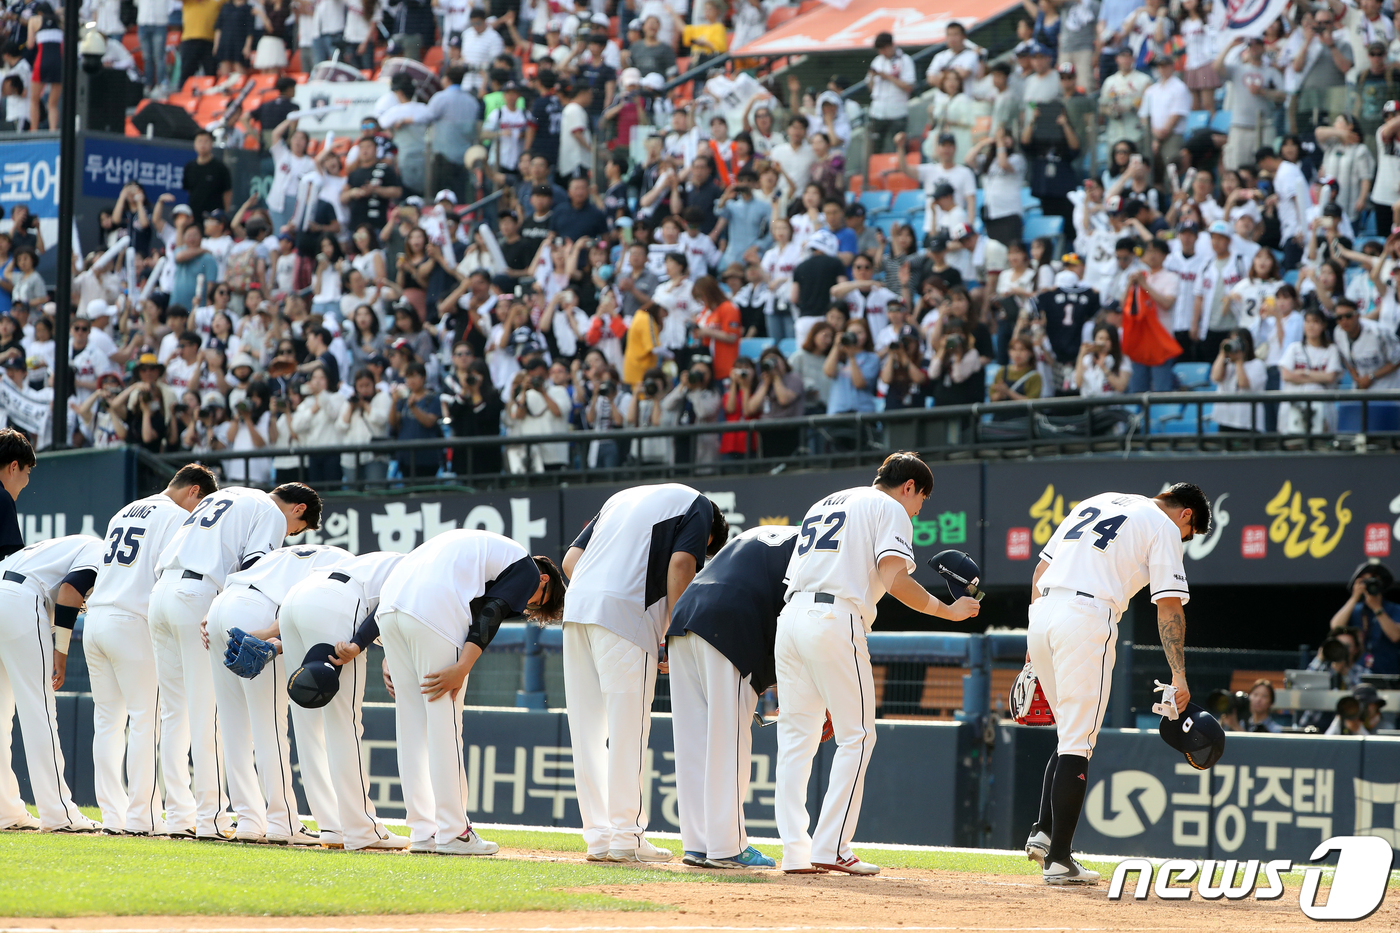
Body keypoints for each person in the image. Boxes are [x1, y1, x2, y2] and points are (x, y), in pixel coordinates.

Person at [776, 454, 980, 875]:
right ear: (909, 486)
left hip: (790, 616)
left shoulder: (826, 502)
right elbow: (896, 582)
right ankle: (831, 846)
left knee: (797, 738)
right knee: (858, 736)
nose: (919, 508)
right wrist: (949, 611)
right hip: (834, 617)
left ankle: (796, 852)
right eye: (921, 498)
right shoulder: (889, 507)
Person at [1024, 482, 1210, 885]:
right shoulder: (1163, 525)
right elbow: (1169, 605)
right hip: (1086, 616)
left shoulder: (1095, 499)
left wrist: (1030, 640)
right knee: (1079, 741)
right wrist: (1178, 675)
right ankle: (1059, 859)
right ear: (1186, 515)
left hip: (1042, 614)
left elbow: (1041, 570)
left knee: (1069, 735)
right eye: (1188, 535)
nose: (1183, 540)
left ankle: (1043, 831)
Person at [561, 484, 727, 862]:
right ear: (712, 533)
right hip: (626, 617)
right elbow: (682, 565)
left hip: (577, 610)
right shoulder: (698, 504)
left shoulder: (618, 498)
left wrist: (598, 593)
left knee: (586, 732)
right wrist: (672, 630)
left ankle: (599, 837)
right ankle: (626, 837)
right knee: (627, 731)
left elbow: (571, 560)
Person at [146, 484, 321, 840]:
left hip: (161, 591)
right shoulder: (271, 512)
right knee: (210, 713)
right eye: (295, 530)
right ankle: (213, 818)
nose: (289, 536)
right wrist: (215, 607)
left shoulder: (225, 495)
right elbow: (259, 571)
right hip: (199, 595)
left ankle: (183, 816)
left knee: (175, 712)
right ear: (298, 510)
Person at [375, 531, 565, 853]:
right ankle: (453, 832)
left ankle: (423, 832)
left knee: (411, 728)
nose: (528, 606)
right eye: (536, 602)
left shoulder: (481, 557)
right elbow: (490, 614)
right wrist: (462, 666)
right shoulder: (526, 568)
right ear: (544, 579)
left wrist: (391, 653)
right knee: (444, 725)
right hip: (431, 610)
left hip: (389, 609)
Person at [84, 465, 217, 836]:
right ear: (194, 491)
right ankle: (143, 817)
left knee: (107, 723)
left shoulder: (124, 510)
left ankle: (113, 816)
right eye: (201, 504)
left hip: (95, 619)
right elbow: (169, 575)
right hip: (132, 621)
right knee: (146, 720)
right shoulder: (177, 517)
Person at [205, 545, 356, 845]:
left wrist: (219, 622)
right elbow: (297, 615)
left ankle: (248, 820)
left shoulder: (290, 553)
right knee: (269, 725)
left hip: (221, 605)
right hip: (260, 611)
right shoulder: (348, 568)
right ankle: (281, 822)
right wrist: (258, 636)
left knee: (233, 724)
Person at [668, 524, 796, 870]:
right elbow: (802, 623)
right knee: (728, 743)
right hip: (730, 624)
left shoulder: (767, 533)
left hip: (684, 617)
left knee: (694, 741)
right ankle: (727, 846)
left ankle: (698, 844)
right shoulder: (817, 548)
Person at [0, 534, 106, 831]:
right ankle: (59, 814)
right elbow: (71, 589)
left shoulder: (53, 547)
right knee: (40, 713)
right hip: (20, 600)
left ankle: (5, 812)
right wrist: (61, 652)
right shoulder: (99, 547)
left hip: (6, 586)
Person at [1330, 560, 1400, 676]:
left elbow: (1396, 636)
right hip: (1357, 675)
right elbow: (1335, 627)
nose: (1368, 584)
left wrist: (1377, 608)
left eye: (1373, 580)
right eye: (1364, 581)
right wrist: (1354, 597)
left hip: (1388, 674)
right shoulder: (1355, 610)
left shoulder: (1394, 609)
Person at [1139, 55, 1190, 183]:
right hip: (1153, 135)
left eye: (1165, 66)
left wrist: (1159, 136)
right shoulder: (1151, 90)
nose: (1162, 69)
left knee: (1171, 169)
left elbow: (1176, 115)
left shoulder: (1179, 87)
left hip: (1172, 135)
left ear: (1172, 67)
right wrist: (1154, 134)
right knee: (1151, 170)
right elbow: (1143, 115)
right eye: (1160, 66)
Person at [1334, 297, 1400, 390]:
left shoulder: (1378, 332)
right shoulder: (1338, 333)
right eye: (1339, 317)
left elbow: (1397, 360)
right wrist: (1355, 375)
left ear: (1357, 315)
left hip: (1388, 387)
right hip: (1362, 388)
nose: (1344, 320)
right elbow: (1344, 357)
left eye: (1348, 316)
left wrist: (1371, 376)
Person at [867, 32, 915, 156]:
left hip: (897, 110)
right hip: (878, 110)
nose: (882, 52)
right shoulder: (877, 61)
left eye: (884, 48)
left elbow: (909, 86)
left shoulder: (904, 60)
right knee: (875, 147)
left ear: (891, 45)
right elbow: (870, 87)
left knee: (900, 146)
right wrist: (873, 77)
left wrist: (887, 77)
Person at [1210, 328, 1267, 432]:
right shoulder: (1226, 363)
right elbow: (1216, 377)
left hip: (1247, 422)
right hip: (1225, 419)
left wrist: (1239, 360)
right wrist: (1223, 353)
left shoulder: (1257, 364)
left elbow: (1243, 384)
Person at [182, 131, 233, 220]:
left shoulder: (220, 168)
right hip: (195, 215)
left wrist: (224, 213)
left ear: (211, 144)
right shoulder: (189, 167)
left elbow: (227, 192)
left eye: (206, 141)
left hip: (214, 217)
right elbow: (189, 190)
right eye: (200, 141)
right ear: (194, 144)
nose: (203, 145)